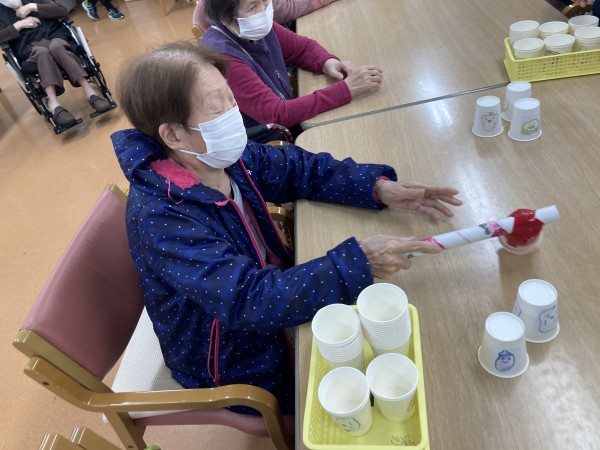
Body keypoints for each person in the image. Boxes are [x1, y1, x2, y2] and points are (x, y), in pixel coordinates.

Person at [112, 41, 461, 415]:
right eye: (217, 108)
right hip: (228, 355)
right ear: (173, 135)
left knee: (377, 338)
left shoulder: (216, 154)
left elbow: (295, 169)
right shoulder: (162, 216)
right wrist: (359, 260)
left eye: (231, 98)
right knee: (359, 383)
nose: (234, 115)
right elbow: (248, 301)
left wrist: (375, 187)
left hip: (257, 296)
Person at [201, 0, 383, 142]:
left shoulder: (252, 26)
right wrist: (345, 90)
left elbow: (301, 48)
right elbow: (277, 114)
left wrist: (328, 62)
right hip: (271, 142)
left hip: (288, 120)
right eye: (253, 7)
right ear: (225, 18)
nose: (264, 10)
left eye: (265, 1)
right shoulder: (224, 57)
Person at [0, 0, 112, 126]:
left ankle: (89, 91)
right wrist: (18, 25)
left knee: (57, 47)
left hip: (54, 35)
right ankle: (53, 104)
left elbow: (62, 11)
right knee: (42, 52)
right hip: (28, 46)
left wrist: (33, 6)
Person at [194, 0, 339, 33]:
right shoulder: (260, 20)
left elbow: (299, 47)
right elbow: (284, 10)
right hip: (245, 35)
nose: (264, 7)